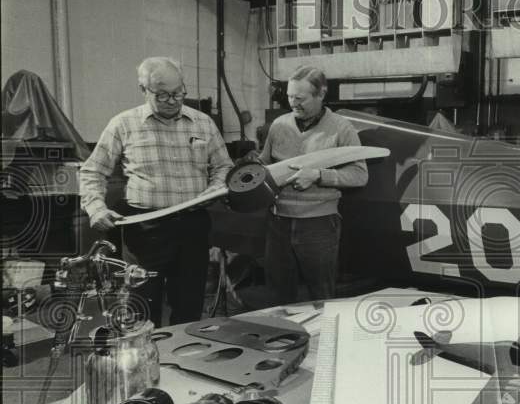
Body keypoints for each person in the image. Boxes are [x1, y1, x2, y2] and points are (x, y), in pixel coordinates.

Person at [79, 57, 233, 326]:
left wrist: (214, 189)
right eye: (162, 95)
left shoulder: (203, 123)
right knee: (142, 309)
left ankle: (182, 364)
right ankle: (148, 364)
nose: (173, 101)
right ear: (143, 90)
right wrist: (96, 208)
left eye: (178, 93)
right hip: (144, 231)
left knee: (189, 307)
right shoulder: (123, 124)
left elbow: (223, 167)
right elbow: (92, 171)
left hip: (192, 228)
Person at [257, 65, 368, 302]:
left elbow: (360, 174)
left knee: (321, 297)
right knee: (277, 296)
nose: (293, 104)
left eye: (300, 98)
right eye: (289, 97)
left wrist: (318, 175)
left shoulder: (341, 128)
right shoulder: (279, 125)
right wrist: (250, 167)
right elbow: (263, 165)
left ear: (321, 94)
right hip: (278, 223)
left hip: (318, 226)